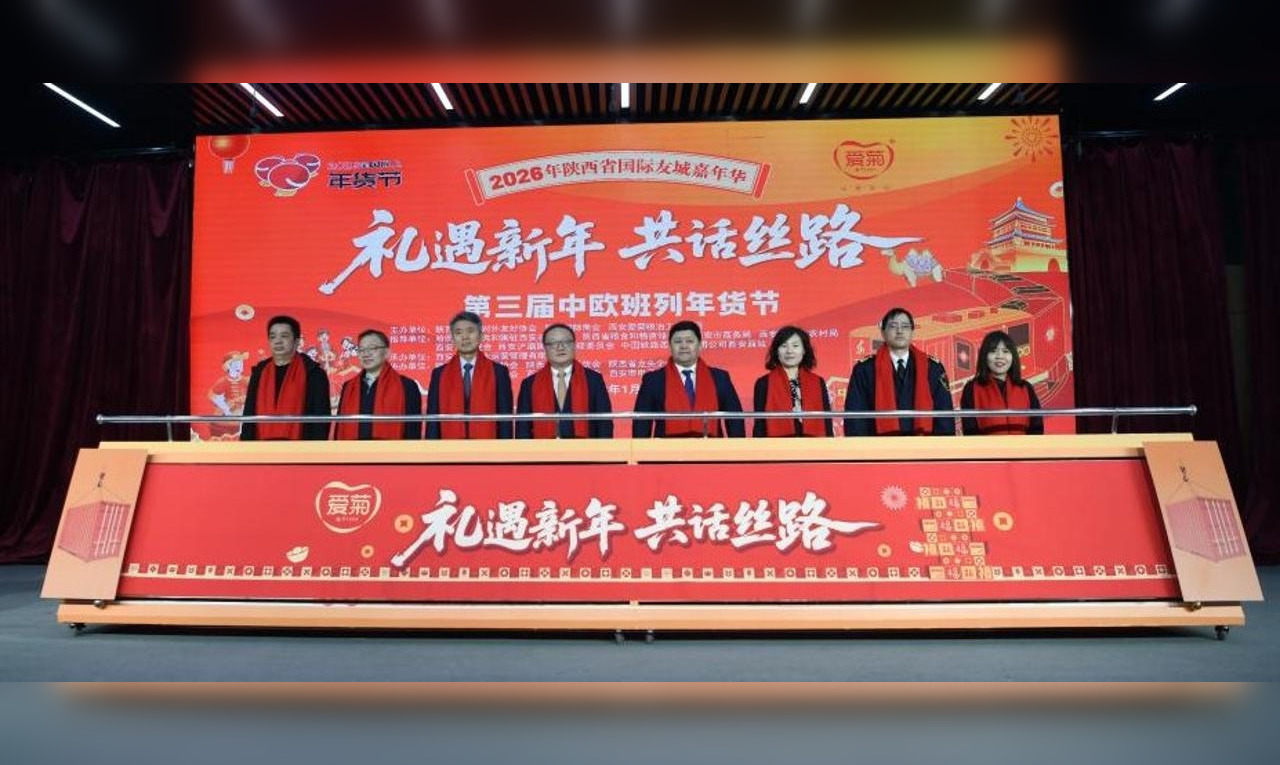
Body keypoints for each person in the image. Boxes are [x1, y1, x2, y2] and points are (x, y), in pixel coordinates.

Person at [843, 307, 955, 436]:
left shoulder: (933, 368)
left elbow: (944, 414)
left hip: (923, 444)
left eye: (905, 326)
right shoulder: (865, 369)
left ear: (912, 332)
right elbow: (855, 418)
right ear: (883, 332)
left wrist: (941, 445)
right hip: (879, 445)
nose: (900, 331)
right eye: (893, 326)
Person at [633, 320, 745, 438]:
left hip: (711, 446)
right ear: (670, 346)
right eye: (678, 342)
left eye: (689, 341)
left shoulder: (719, 377)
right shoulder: (653, 380)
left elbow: (735, 419)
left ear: (700, 345)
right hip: (667, 447)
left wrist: (738, 447)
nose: (684, 346)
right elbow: (641, 423)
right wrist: (639, 449)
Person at [241, 315, 332, 440]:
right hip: (261, 449)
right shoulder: (259, 372)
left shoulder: (314, 373)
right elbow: (249, 416)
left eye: (284, 336)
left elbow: (320, 423)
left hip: (302, 449)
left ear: (296, 342)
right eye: (273, 337)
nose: (277, 341)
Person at [425, 311, 513, 439]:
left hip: (489, 445)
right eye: (458, 333)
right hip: (449, 446)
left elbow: (505, 419)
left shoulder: (499, 372)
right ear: (452, 339)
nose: (465, 337)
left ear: (481, 336)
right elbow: (433, 419)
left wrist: (505, 447)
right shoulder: (439, 374)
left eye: (470, 331)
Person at [516, 323, 614, 439]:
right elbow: (523, 427)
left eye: (566, 342)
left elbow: (604, 424)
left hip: (585, 448)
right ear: (545, 349)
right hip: (542, 449)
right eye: (553, 343)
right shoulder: (529, 384)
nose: (560, 347)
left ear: (574, 346)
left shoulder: (593, 380)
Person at [332, 329, 423, 440]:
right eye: (361, 349)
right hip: (352, 450)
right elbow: (339, 428)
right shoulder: (348, 387)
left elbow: (413, 431)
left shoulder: (407, 386)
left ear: (387, 353)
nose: (366, 354)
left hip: (392, 450)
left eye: (372, 348)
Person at [752, 326, 833, 437]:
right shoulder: (764, 383)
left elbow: (827, 421)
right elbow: (760, 424)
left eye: (795, 346)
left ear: (804, 350)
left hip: (813, 444)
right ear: (776, 351)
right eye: (784, 346)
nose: (789, 351)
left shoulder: (818, 382)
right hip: (777, 444)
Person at [960, 330, 1044, 435]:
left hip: (1023, 446)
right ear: (984, 356)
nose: (1000, 356)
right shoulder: (971, 389)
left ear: (1013, 356)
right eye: (993, 351)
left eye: (1005, 351)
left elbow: (1036, 429)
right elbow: (970, 432)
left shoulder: (1026, 388)